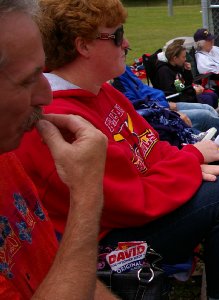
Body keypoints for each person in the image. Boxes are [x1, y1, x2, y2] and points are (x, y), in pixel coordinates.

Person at [15, 0, 219, 299]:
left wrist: (191, 162)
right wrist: (192, 161)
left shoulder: (102, 90)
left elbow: (152, 147)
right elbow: (130, 203)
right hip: (106, 242)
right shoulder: (60, 120)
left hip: (137, 206)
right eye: (117, 35)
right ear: (84, 46)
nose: (126, 43)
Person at [0, 0, 113, 298]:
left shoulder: (6, 154)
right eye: (27, 80)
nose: (46, 95)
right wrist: (87, 194)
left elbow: (59, 266)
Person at [114, 65, 219, 161]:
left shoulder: (124, 71)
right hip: (160, 111)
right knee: (205, 116)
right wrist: (168, 109)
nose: (125, 47)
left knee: (208, 109)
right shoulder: (119, 82)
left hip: (164, 104)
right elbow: (138, 108)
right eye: (120, 43)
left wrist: (187, 72)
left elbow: (149, 92)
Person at [155, 39, 219, 109]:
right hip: (178, 101)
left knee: (213, 95)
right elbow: (173, 93)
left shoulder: (176, 67)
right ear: (175, 58)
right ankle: (208, 117)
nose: (185, 59)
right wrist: (193, 92)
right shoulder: (164, 71)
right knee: (208, 99)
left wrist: (187, 71)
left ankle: (211, 116)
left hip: (185, 95)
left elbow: (183, 85)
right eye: (183, 57)